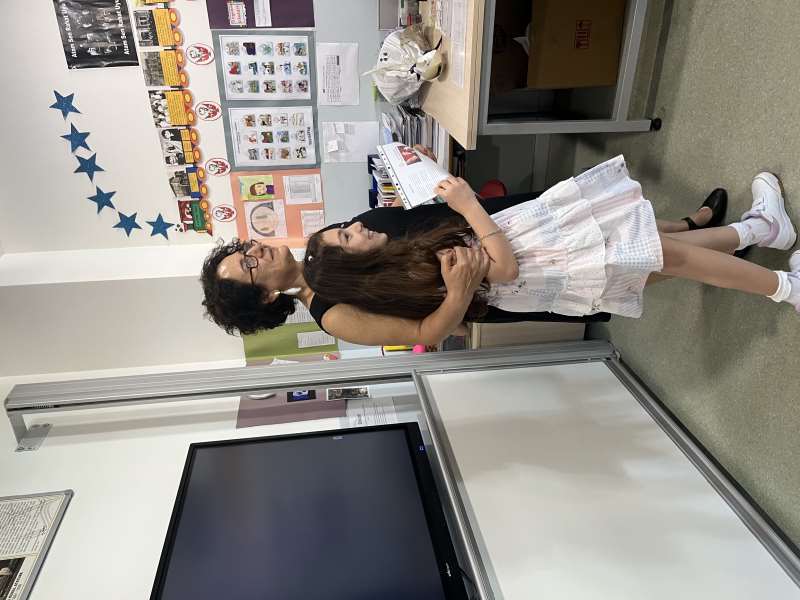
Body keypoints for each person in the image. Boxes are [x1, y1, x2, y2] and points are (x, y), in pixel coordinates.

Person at [201, 156, 795, 346]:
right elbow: (427, 330)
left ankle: (760, 231)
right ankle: (778, 273)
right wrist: (462, 278)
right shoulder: (333, 310)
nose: (257, 252)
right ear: (262, 297)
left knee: (652, 249)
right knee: (659, 258)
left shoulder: (322, 250)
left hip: (498, 230)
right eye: (248, 266)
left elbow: (394, 228)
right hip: (505, 260)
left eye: (246, 248)